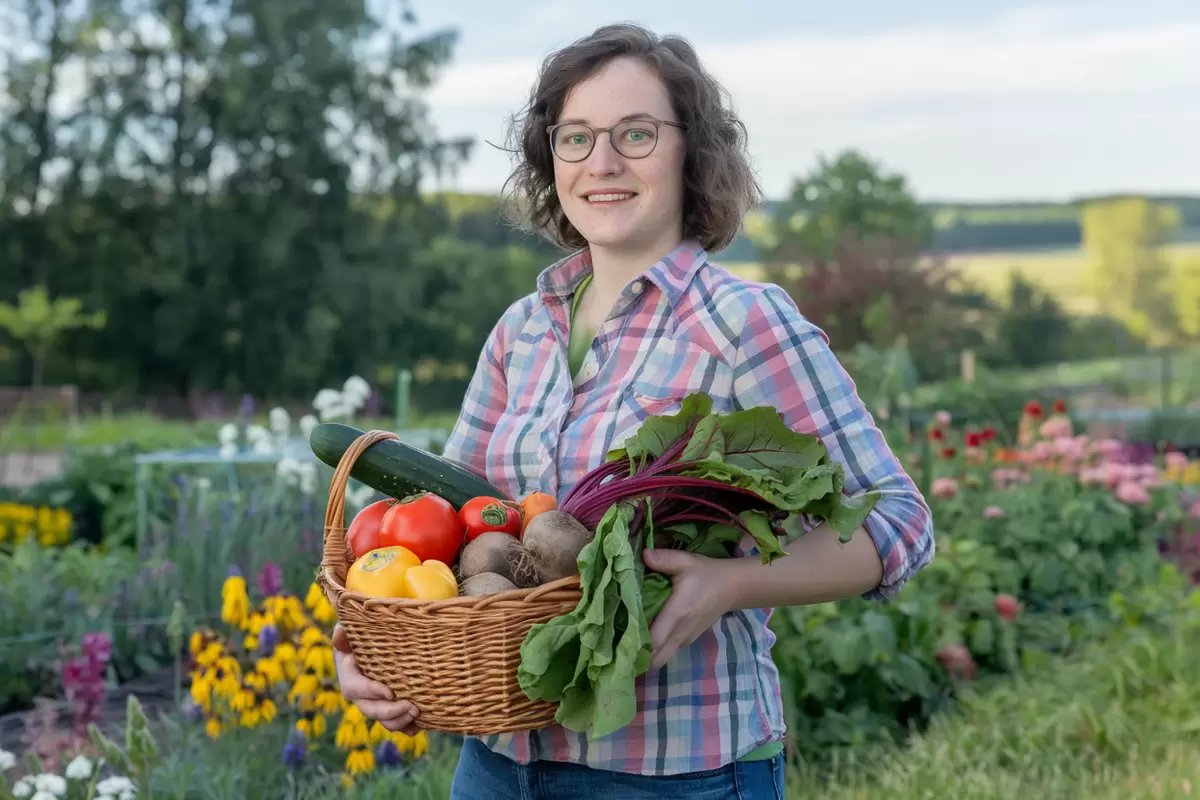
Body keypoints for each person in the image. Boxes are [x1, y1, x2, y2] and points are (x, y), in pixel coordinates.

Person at [333, 22, 935, 799]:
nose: (603, 162)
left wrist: (728, 584)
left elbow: (898, 519)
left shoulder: (744, 323)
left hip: (675, 770)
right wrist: (374, 646)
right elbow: (449, 534)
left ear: (693, 152)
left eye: (636, 134)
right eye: (576, 138)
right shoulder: (521, 331)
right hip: (497, 767)